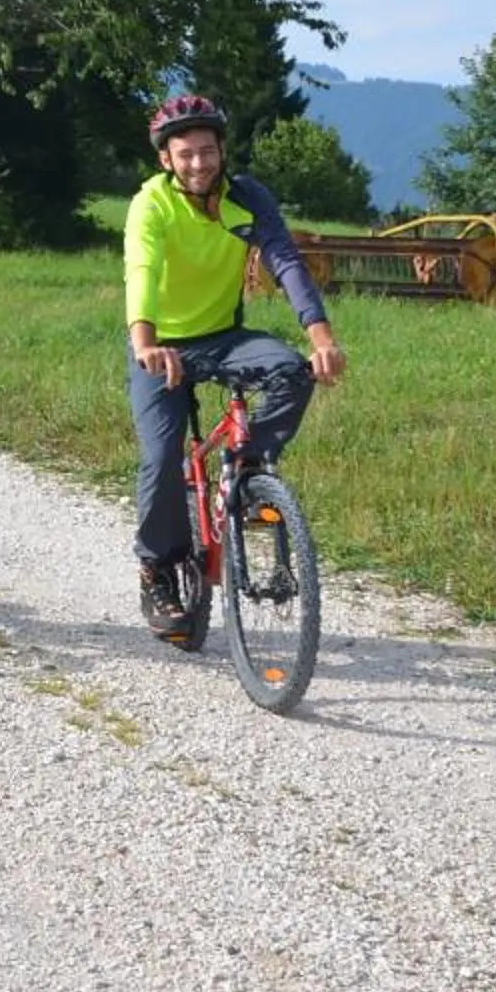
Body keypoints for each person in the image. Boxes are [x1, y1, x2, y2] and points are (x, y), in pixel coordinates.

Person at [123, 93, 347, 641]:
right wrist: (146, 341)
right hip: (162, 345)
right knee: (160, 460)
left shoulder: (248, 198)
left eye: (207, 151)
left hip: (224, 337)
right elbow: (142, 270)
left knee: (292, 371)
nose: (199, 163)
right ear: (166, 161)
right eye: (186, 154)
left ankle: (244, 468)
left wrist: (322, 338)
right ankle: (158, 570)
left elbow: (286, 261)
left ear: (222, 150)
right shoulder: (150, 204)